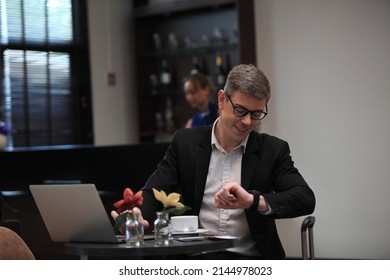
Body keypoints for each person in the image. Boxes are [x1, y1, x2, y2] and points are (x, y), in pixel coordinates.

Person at [112, 64, 315, 259]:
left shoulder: (272, 150)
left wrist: (253, 201)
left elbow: (305, 198)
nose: (247, 122)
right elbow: (154, 191)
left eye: (256, 114)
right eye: (240, 110)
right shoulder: (186, 144)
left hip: (249, 261)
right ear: (221, 100)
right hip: (196, 259)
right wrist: (138, 217)